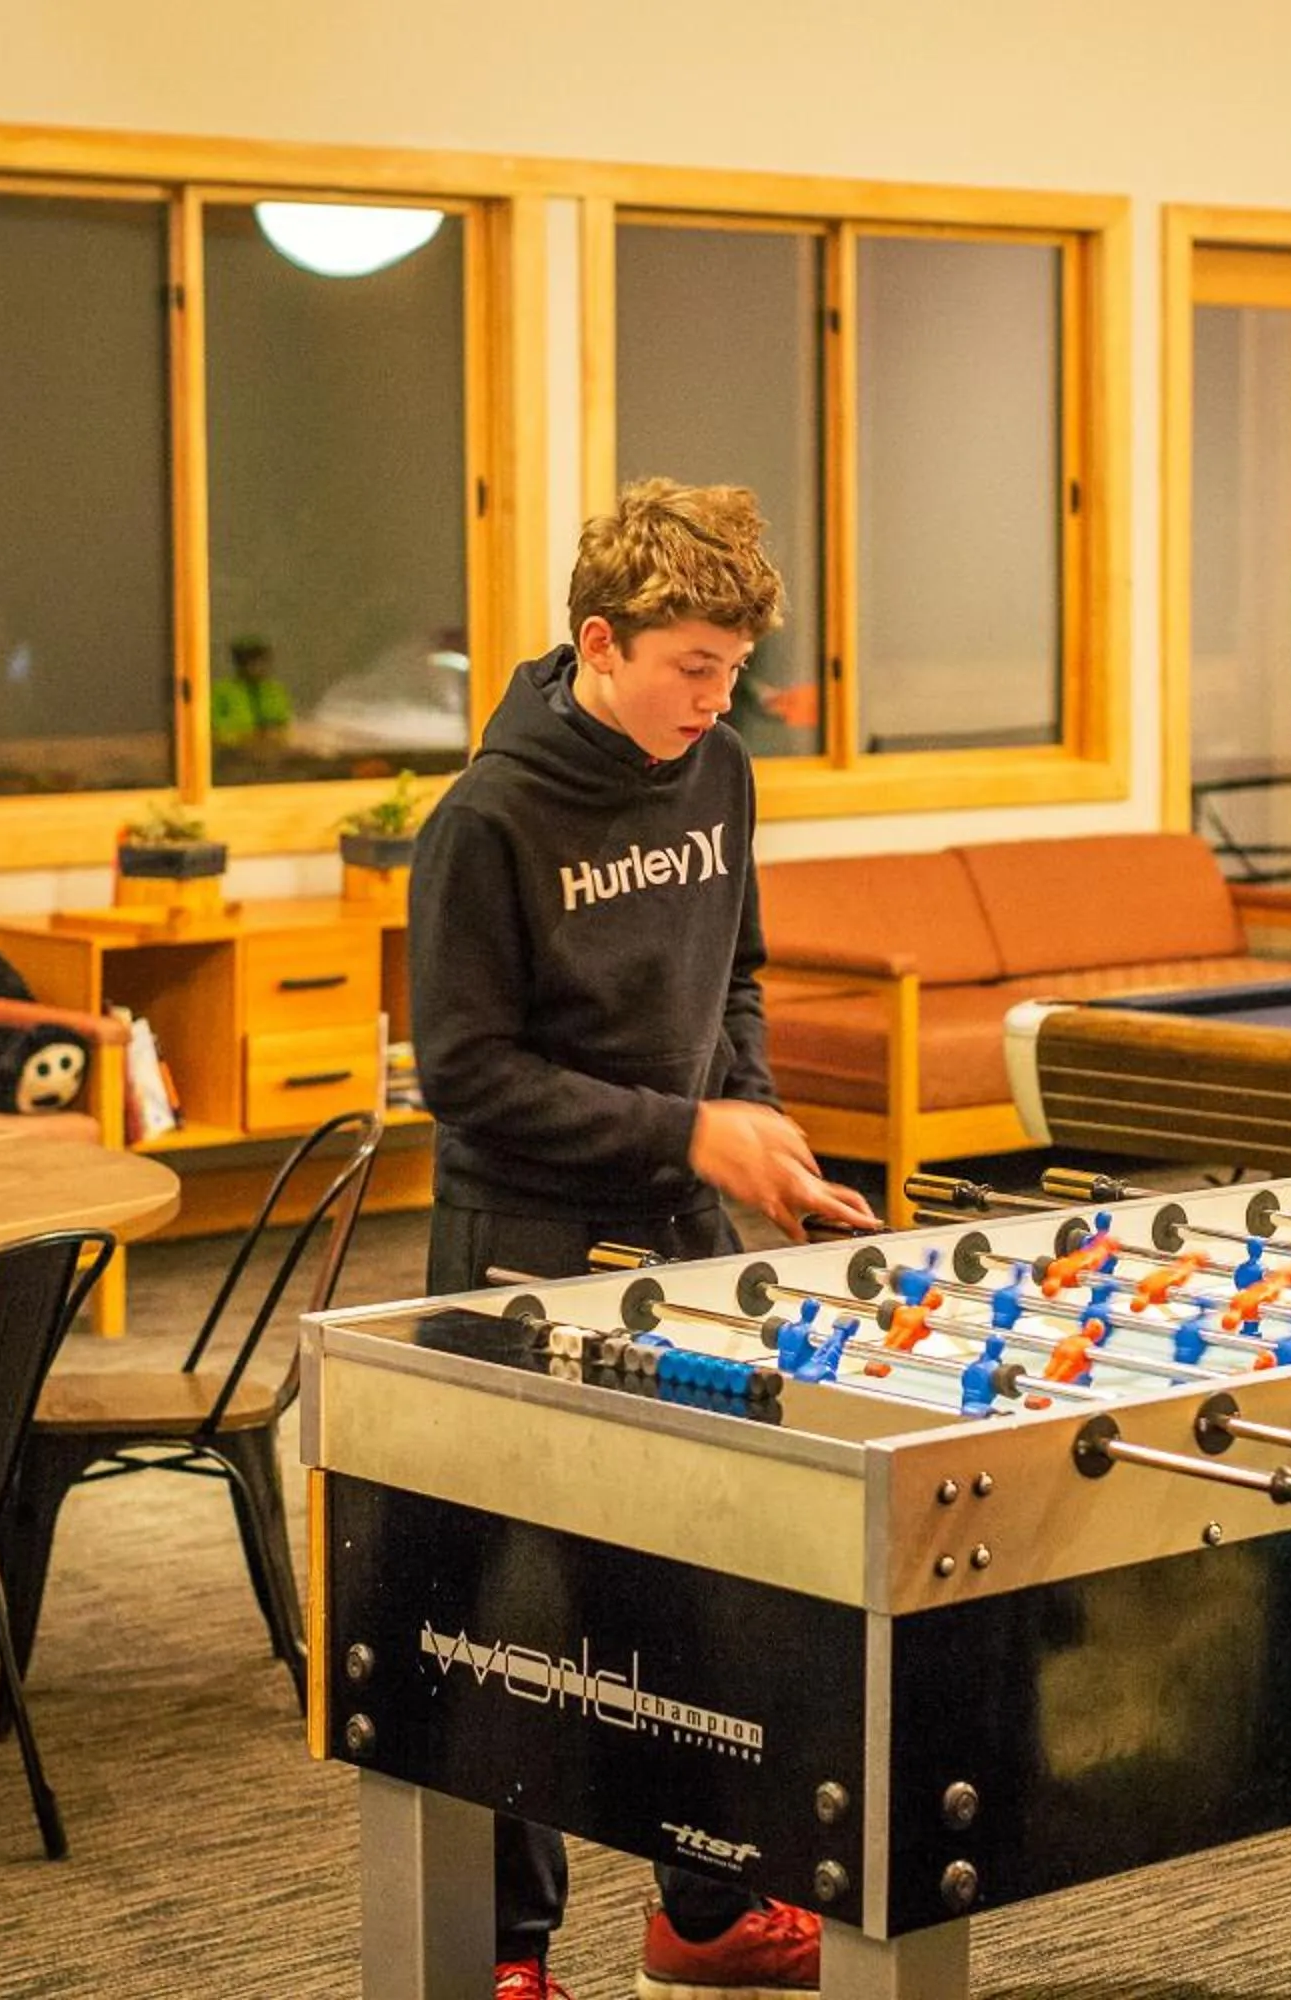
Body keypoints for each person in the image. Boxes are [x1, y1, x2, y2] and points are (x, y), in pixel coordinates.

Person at [407, 477, 880, 2000]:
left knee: (689, 1579)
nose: (718, 697)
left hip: (681, 1227)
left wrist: (756, 1132)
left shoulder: (720, 768)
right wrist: (688, 1132)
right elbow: (467, 1076)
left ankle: (701, 1909)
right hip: (518, 1236)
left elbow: (729, 977)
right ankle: (502, 1947)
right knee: (506, 1612)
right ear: (600, 644)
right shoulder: (485, 819)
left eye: (734, 669)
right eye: (692, 666)